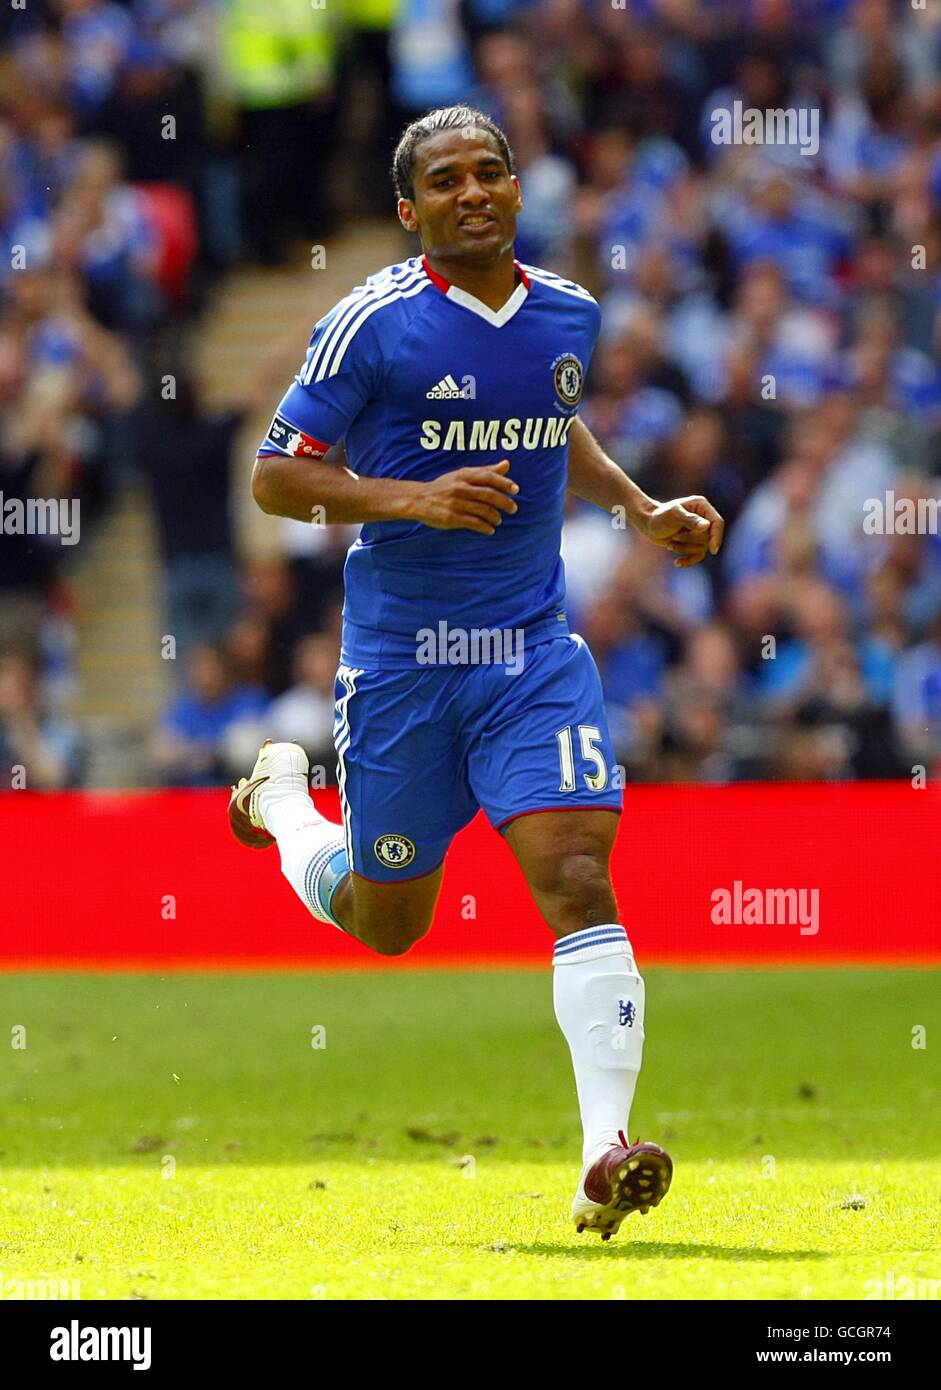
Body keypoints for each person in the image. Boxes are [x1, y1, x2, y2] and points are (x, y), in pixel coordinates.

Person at [229, 106, 724, 1240]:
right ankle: (283, 801)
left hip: (527, 651)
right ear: (409, 212)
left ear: (514, 189)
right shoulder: (371, 326)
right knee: (386, 917)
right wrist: (414, 498)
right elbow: (273, 478)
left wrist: (641, 508)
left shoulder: (569, 311)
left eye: (489, 172)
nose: (472, 192)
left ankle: (603, 1149)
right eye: (444, 181)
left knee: (577, 879)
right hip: (401, 664)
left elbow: (558, 422)